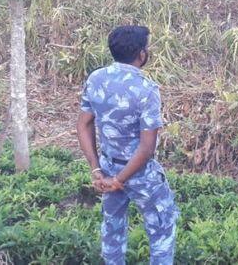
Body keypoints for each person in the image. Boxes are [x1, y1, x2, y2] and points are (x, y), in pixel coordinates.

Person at [76, 25, 179, 265]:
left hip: (108, 169)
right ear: (141, 54)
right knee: (162, 229)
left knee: (112, 231)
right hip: (140, 174)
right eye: (147, 47)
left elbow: (83, 125)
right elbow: (146, 148)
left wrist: (97, 171)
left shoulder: (96, 78)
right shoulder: (146, 90)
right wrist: (120, 180)